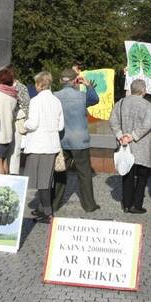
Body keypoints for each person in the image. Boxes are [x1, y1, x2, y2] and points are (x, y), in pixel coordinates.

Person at [53, 68, 101, 212]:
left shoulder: (55, 96)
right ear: (75, 80)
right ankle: (89, 205)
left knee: (60, 171)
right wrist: (88, 84)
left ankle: (55, 203)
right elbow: (95, 99)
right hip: (80, 141)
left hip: (61, 140)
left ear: (61, 81)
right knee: (84, 174)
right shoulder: (81, 96)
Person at [22, 71, 63, 222]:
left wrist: (23, 123)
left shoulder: (36, 101)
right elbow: (60, 126)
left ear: (40, 84)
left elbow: (32, 123)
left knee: (42, 182)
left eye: (36, 83)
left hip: (38, 145)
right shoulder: (56, 101)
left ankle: (47, 212)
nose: (35, 86)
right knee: (45, 180)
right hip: (51, 145)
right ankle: (42, 208)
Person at [110, 79, 151, 214]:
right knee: (142, 178)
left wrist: (120, 135)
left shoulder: (121, 103)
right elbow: (148, 124)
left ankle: (126, 204)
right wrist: (133, 136)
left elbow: (113, 120)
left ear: (131, 89)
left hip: (125, 145)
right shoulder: (148, 106)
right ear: (144, 90)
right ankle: (137, 205)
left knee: (127, 176)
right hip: (141, 146)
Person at [0, 67, 19, 175]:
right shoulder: (13, 95)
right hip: (8, 132)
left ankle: (0, 184)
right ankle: (6, 182)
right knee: (4, 160)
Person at [8, 67, 31, 175]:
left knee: (15, 150)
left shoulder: (21, 87)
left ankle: (13, 173)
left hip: (17, 122)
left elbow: (26, 106)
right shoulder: (3, 86)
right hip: (5, 121)